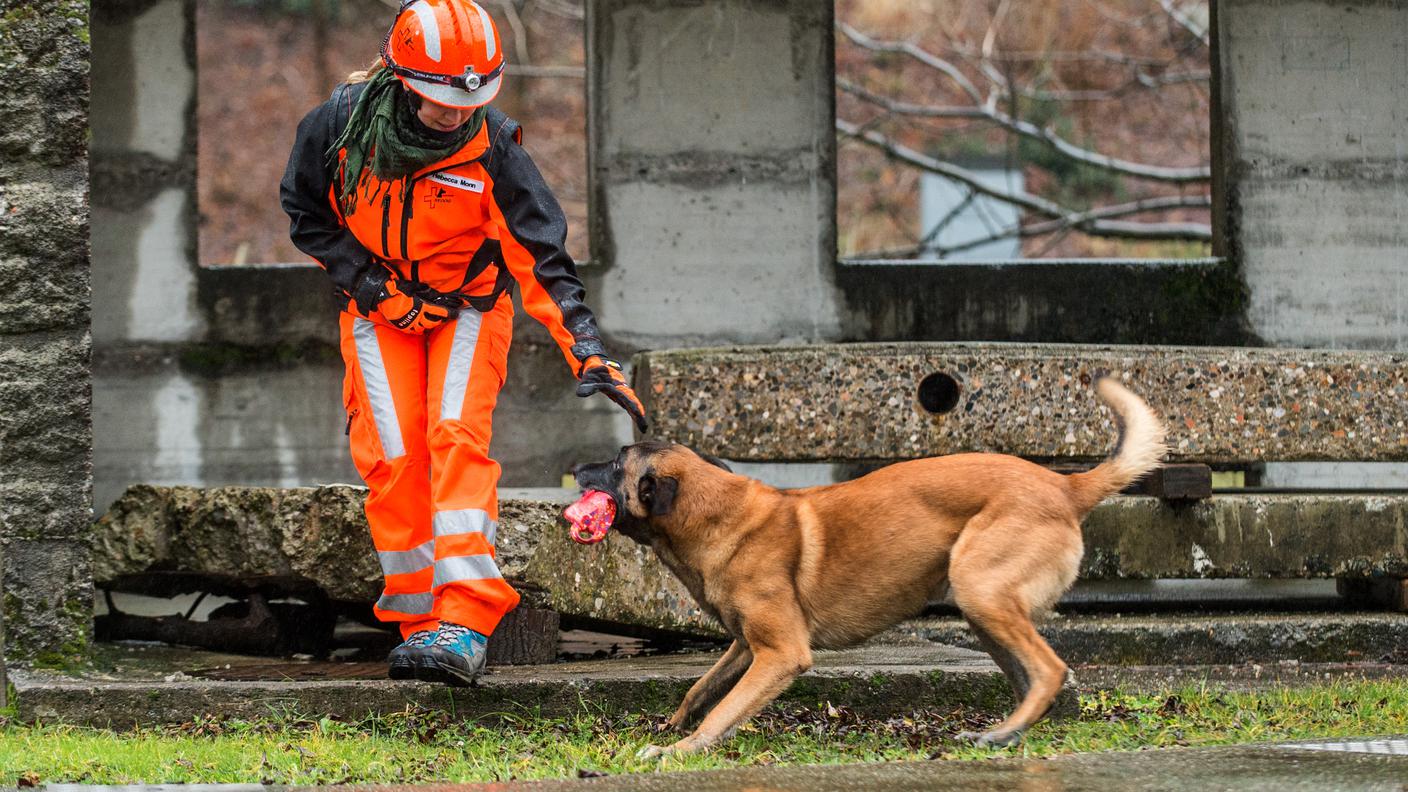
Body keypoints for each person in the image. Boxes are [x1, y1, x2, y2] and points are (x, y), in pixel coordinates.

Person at [279, 0, 646, 686]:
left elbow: (542, 259)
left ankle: (467, 620)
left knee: (453, 438)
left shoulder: (496, 148)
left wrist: (587, 348)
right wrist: (373, 288)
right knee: (394, 456)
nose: (455, 111)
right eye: (442, 97)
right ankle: (420, 627)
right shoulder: (339, 125)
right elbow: (305, 212)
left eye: (469, 98)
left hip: (466, 307)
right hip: (377, 307)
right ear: (401, 76)